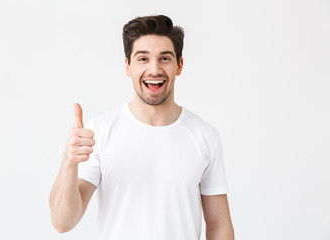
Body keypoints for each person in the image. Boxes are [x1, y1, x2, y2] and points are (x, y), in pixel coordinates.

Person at [49, 15, 234, 240]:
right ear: (128, 66)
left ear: (179, 65)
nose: (154, 69)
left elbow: (219, 225)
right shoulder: (99, 132)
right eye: (143, 59)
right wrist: (69, 163)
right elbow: (62, 222)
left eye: (164, 58)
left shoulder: (205, 136)